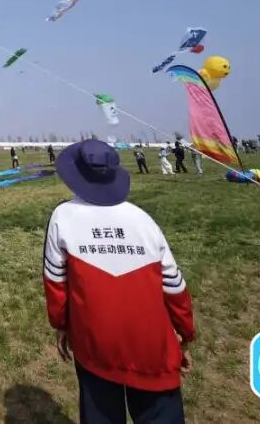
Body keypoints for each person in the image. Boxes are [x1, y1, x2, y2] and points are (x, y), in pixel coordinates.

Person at [44, 140, 194, 423]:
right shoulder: (143, 220)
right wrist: (185, 333)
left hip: (94, 344)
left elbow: (55, 282)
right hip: (154, 347)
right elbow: (175, 287)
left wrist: (61, 324)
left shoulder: (62, 217)